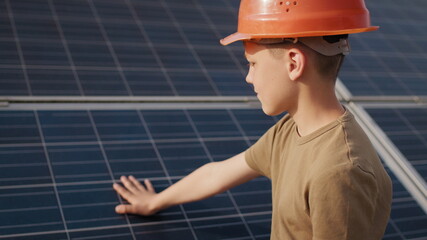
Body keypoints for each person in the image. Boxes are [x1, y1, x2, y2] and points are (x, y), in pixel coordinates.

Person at [112, 0, 393, 239]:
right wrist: (155, 202)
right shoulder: (290, 131)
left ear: (294, 63)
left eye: (253, 63)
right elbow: (216, 174)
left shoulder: (340, 173)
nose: (248, 76)